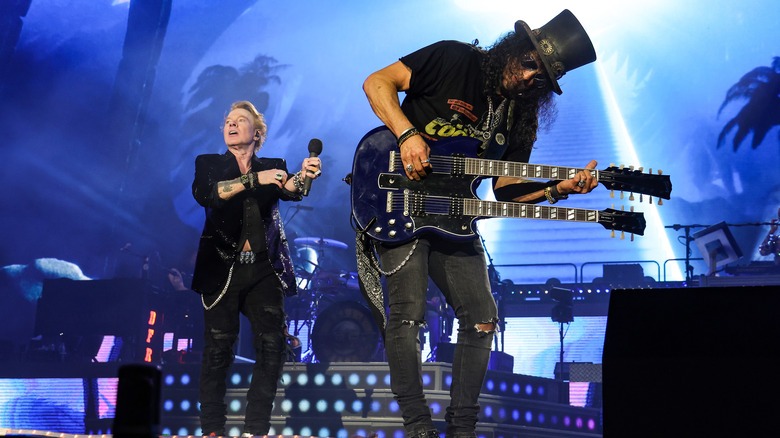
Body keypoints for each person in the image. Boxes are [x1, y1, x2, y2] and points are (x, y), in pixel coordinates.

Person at [359, 10, 598, 438]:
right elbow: (377, 83)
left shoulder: (521, 119)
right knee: (409, 311)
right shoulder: (455, 59)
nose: (529, 78)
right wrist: (406, 133)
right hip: (401, 199)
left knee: (483, 317)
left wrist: (558, 189)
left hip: (456, 218)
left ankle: (462, 428)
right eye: (529, 63)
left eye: (541, 77)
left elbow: (507, 190)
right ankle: (417, 425)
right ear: (514, 48)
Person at [190, 100, 321, 437]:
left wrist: (305, 175)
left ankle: (256, 429)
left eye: (240, 120)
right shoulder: (208, 164)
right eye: (228, 120)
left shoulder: (273, 166)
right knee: (219, 348)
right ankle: (213, 430)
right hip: (222, 268)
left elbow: (292, 190)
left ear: (257, 132)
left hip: (265, 269)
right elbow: (209, 195)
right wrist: (254, 179)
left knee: (272, 346)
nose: (231, 125)